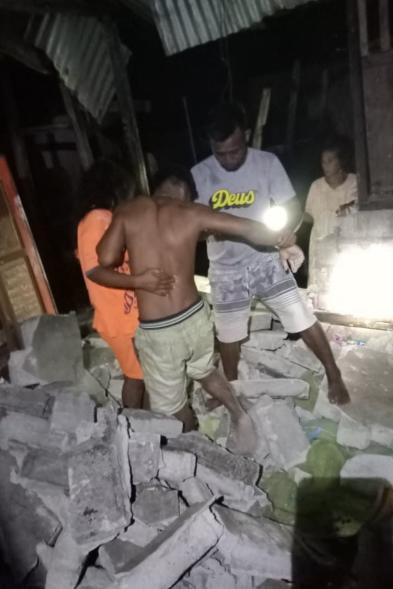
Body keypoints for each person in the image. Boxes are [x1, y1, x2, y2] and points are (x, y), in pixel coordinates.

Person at [97, 165, 299, 453]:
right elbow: (250, 229)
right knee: (205, 370)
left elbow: (104, 258)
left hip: (159, 332)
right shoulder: (192, 212)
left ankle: (199, 454)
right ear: (186, 194)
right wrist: (283, 237)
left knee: (173, 406)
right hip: (195, 318)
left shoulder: (128, 211)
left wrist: (137, 265)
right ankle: (240, 417)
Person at [191, 102, 350, 405]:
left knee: (300, 314)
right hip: (225, 268)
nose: (227, 159)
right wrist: (207, 231)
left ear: (246, 135)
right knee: (228, 335)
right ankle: (233, 389)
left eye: (235, 151)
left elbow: (290, 206)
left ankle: (333, 373)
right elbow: (191, 226)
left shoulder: (267, 163)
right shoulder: (199, 174)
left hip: (265, 258)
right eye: (220, 153)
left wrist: (288, 230)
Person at [76, 159, 174, 409]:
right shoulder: (96, 219)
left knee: (142, 375)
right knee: (140, 376)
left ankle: (145, 423)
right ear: (115, 188)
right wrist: (139, 281)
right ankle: (139, 423)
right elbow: (94, 270)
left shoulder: (107, 217)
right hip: (117, 320)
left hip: (127, 316)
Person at [305, 138, 358, 292]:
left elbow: (358, 209)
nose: (326, 165)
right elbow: (309, 215)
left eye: (330, 161)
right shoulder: (316, 186)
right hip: (319, 245)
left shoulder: (354, 182)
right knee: (319, 290)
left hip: (345, 246)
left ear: (340, 161)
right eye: (323, 162)